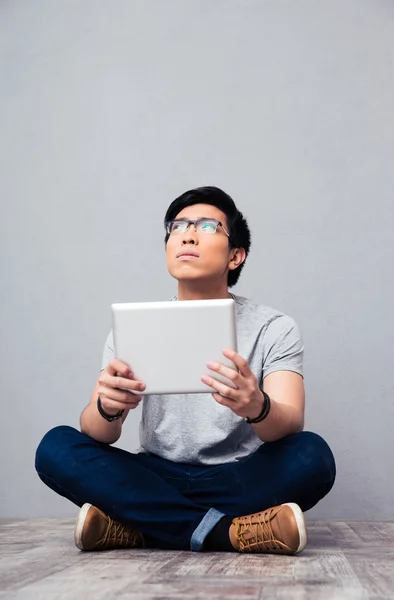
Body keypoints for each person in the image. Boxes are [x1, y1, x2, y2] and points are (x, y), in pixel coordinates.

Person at [35, 186, 336, 554]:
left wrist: (256, 406)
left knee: (312, 456)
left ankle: (142, 527)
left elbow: (290, 425)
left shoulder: (274, 326)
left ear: (235, 256)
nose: (187, 234)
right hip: (154, 474)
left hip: (238, 476)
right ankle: (224, 533)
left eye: (208, 227)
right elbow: (97, 433)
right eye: (177, 227)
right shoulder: (134, 326)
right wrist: (107, 407)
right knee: (56, 447)